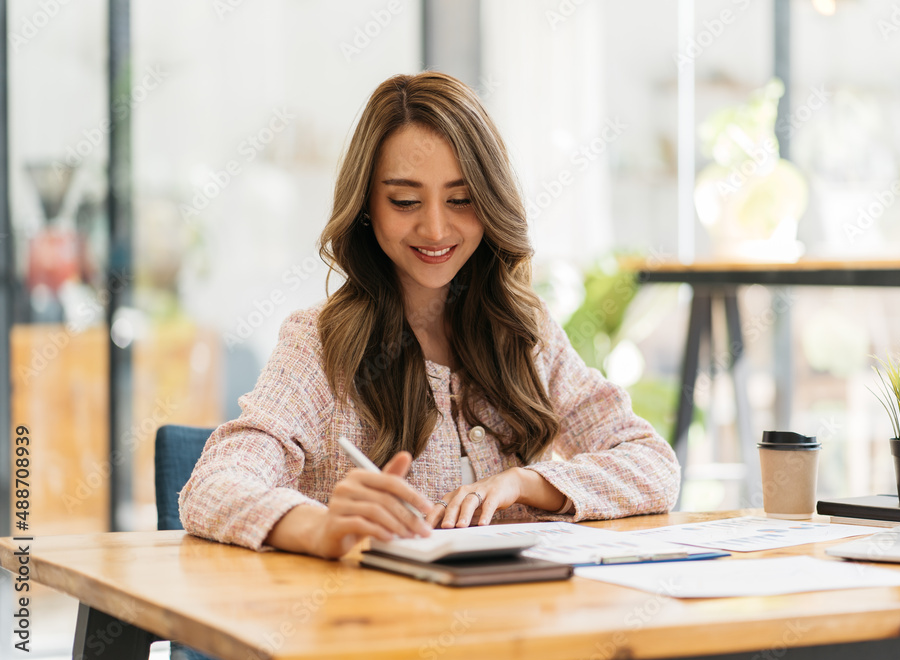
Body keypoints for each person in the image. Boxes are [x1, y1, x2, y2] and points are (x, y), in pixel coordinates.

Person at [179, 71, 681, 559]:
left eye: (461, 199)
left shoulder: (524, 332)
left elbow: (654, 466)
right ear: (368, 205)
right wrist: (318, 526)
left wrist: (528, 483)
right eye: (405, 200)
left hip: (520, 631)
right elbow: (213, 486)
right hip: (372, 633)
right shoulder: (320, 343)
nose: (436, 228)